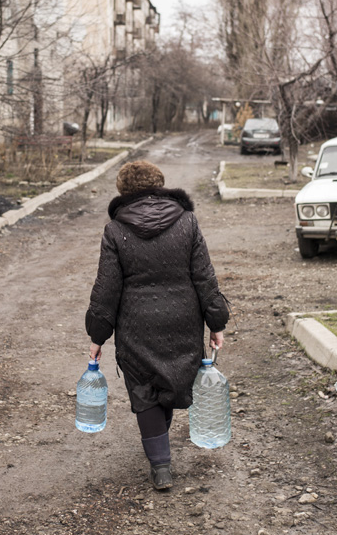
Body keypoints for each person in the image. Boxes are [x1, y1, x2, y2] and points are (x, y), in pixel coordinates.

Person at [85, 160, 229, 490]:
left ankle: (161, 465)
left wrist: (98, 336)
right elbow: (205, 277)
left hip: (136, 323)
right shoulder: (188, 222)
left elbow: (106, 288)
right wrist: (215, 323)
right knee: (171, 379)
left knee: (145, 389)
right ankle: (160, 452)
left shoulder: (115, 230)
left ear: (122, 191)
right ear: (160, 186)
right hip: (183, 319)